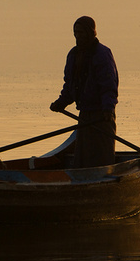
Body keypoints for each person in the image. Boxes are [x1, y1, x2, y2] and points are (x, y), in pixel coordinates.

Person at [50, 15, 119, 169]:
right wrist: (60, 103)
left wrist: (108, 109)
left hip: (102, 116)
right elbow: (70, 85)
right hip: (84, 116)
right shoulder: (73, 55)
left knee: (102, 161)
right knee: (83, 160)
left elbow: (109, 85)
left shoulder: (102, 54)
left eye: (81, 33)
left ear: (90, 33)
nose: (78, 37)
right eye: (75, 33)